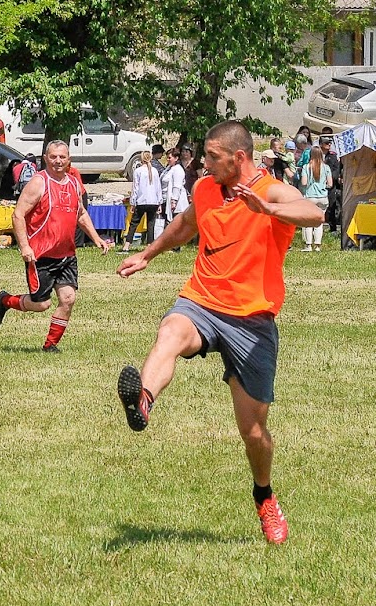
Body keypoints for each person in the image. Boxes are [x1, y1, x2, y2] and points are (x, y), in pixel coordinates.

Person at [115, 120, 324, 545]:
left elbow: (314, 211)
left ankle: (264, 496)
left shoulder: (270, 190)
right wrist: (148, 254)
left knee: (253, 433)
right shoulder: (207, 188)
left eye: (212, 157)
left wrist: (269, 211)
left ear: (238, 158)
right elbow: (187, 224)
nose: (203, 164)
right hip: (203, 301)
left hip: (252, 320)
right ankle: (142, 401)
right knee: (170, 332)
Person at [0, 140, 112, 352]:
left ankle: (50, 345)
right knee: (41, 304)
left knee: (68, 299)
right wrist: (25, 247)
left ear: (69, 159)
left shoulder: (74, 183)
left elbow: (80, 213)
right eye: (53, 157)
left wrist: (96, 238)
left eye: (62, 157)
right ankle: (5, 300)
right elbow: (18, 215)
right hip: (40, 256)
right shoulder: (39, 183)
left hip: (66, 255)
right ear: (45, 158)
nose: (58, 161)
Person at [122, 151, 162, 252]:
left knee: (134, 223)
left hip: (142, 200)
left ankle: (127, 245)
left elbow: (136, 188)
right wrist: (159, 202)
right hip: (153, 201)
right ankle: (150, 245)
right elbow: (158, 187)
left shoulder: (138, 171)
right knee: (150, 223)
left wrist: (132, 202)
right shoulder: (155, 171)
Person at [300, 146, 332, 252]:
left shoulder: (306, 167)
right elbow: (330, 184)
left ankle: (308, 245)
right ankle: (318, 245)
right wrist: (323, 185)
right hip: (323, 197)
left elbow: (304, 183)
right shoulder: (326, 167)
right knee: (319, 222)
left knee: (309, 222)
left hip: (310, 196)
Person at [320, 135, 342, 232]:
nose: (329, 144)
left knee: (331, 206)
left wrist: (329, 179)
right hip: (317, 185)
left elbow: (336, 170)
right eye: (326, 143)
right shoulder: (316, 154)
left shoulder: (333, 156)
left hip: (330, 185)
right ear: (321, 144)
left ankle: (332, 228)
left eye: (330, 143)